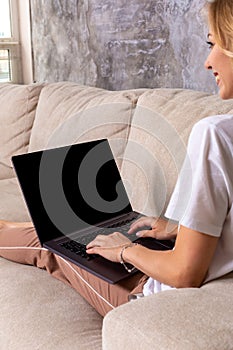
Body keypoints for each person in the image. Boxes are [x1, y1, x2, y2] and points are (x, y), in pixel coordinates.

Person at [0, 0, 233, 317]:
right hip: (174, 258)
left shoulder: (216, 132)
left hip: (150, 296)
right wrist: (181, 230)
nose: (208, 62)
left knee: (48, 244)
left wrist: (125, 250)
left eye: (214, 43)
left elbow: (184, 275)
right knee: (61, 231)